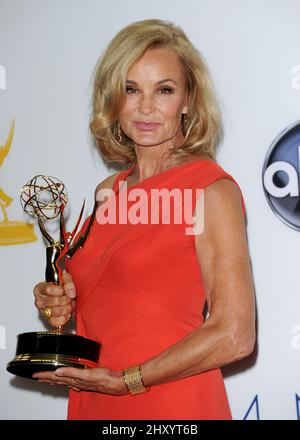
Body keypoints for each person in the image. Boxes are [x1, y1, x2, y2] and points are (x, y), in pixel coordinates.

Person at [32, 19, 256, 420]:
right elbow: (104, 304)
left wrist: (128, 380)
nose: (146, 107)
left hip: (169, 400)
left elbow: (235, 335)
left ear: (188, 100)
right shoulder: (109, 190)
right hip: (95, 395)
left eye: (164, 90)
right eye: (131, 89)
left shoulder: (210, 191)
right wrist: (59, 302)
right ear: (112, 100)